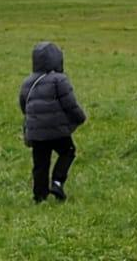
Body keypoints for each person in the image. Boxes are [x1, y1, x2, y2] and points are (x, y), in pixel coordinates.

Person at [19, 42, 87, 203]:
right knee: (68, 151)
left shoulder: (28, 81)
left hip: (36, 131)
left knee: (40, 163)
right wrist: (80, 117)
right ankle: (57, 182)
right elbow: (69, 103)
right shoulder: (59, 79)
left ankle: (39, 196)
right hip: (57, 130)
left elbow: (23, 105)